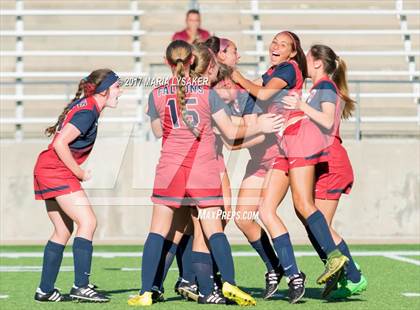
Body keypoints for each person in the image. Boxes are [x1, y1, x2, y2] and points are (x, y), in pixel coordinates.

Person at [127, 40, 283, 306]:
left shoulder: (157, 93)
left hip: (170, 169)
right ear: (192, 61)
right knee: (214, 229)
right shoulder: (206, 93)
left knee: (157, 231)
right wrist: (259, 126)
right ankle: (229, 284)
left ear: (168, 62)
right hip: (202, 168)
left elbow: (156, 131)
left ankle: (146, 292)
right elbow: (232, 132)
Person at [282, 44, 368, 299]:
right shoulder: (320, 88)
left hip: (332, 161)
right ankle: (347, 273)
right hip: (323, 160)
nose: (303, 61)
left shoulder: (325, 87)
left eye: (307, 57)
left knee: (319, 224)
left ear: (318, 62)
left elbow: (328, 120)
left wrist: (300, 106)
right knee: (316, 223)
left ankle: (352, 275)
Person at [33, 69, 122, 302]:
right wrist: (79, 172)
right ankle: (81, 286)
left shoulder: (88, 106)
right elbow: (61, 143)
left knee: (63, 230)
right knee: (88, 222)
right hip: (56, 169)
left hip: (48, 168)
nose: (120, 92)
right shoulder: (88, 110)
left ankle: (45, 290)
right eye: (117, 87)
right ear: (104, 91)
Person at [206, 36, 283, 300]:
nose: (239, 56)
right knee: (234, 218)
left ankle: (294, 272)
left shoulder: (245, 87)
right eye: (234, 51)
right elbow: (233, 140)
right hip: (249, 161)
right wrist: (253, 128)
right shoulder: (210, 90)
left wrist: (252, 129)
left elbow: (255, 133)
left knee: (279, 213)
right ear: (219, 56)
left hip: (277, 159)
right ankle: (275, 267)